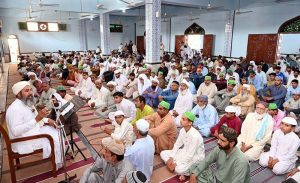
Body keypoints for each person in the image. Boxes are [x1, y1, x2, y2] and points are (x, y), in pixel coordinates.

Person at [6, 81, 62, 168]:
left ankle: (58, 159)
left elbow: (35, 118)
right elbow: (16, 131)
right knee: (55, 137)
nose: (30, 93)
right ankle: (57, 163)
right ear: (18, 94)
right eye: (26, 91)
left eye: (30, 90)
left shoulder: (27, 103)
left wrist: (47, 120)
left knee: (57, 131)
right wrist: (37, 119)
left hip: (31, 132)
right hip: (23, 140)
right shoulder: (15, 109)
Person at [186, 126, 250, 183]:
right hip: (215, 179)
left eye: (222, 140)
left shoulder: (241, 161)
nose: (218, 142)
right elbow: (206, 161)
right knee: (195, 166)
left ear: (232, 143)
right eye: (219, 138)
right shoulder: (219, 149)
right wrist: (193, 175)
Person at [160, 112, 205, 176]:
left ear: (190, 123)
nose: (180, 120)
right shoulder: (182, 130)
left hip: (195, 157)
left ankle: (174, 165)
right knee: (163, 153)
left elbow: (190, 155)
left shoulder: (195, 136)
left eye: (183, 119)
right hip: (184, 152)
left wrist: (176, 164)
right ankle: (171, 164)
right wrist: (171, 158)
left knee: (179, 170)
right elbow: (177, 145)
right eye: (181, 118)